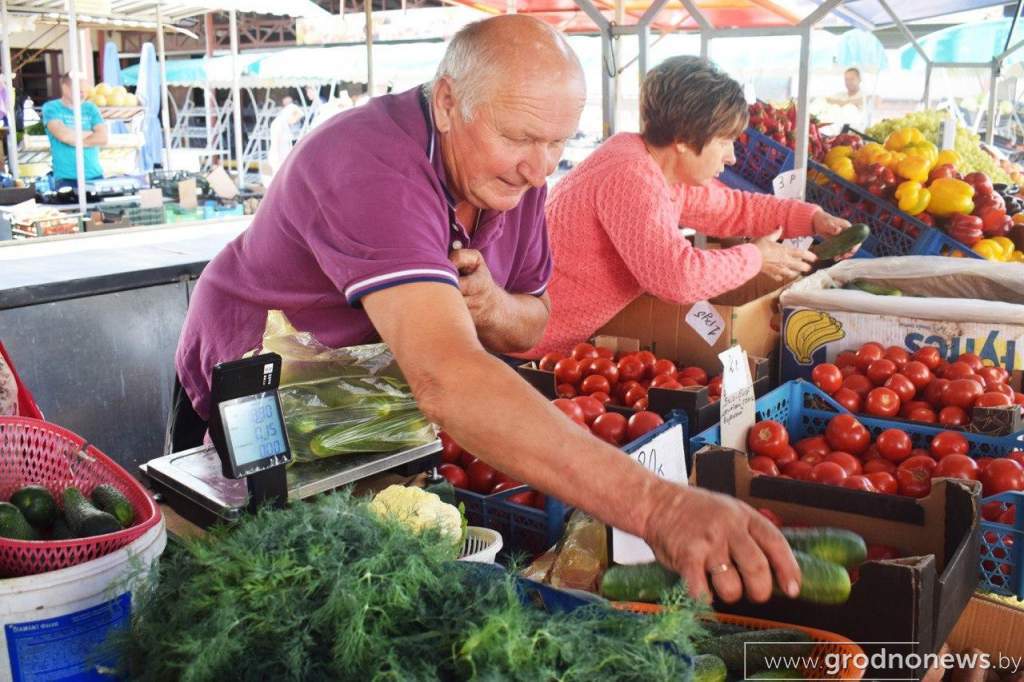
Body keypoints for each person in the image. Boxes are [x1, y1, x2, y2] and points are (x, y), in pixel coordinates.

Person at [174, 16, 800, 604]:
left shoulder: (515, 179)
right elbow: (447, 377)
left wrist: (493, 306)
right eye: (520, 137)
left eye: (558, 142)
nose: (540, 166)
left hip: (373, 401)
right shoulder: (369, 165)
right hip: (262, 385)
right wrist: (660, 508)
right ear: (448, 103)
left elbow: (535, 322)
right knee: (261, 579)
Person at [523, 56, 853, 359]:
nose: (731, 157)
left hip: (557, 342)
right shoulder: (630, 176)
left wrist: (812, 219)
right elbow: (678, 278)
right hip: (527, 348)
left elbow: (733, 208)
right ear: (682, 139)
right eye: (723, 142)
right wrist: (756, 257)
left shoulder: (656, 168)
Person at [42, 73, 107, 190]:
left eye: (85, 90)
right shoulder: (51, 108)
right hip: (66, 178)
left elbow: (103, 138)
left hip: (95, 175)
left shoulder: (91, 108)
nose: (83, 94)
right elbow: (64, 136)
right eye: (79, 90)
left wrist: (74, 139)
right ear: (65, 88)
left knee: (98, 208)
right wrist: (91, 135)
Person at [265, 102, 304, 183]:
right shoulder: (279, 123)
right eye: (296, 118)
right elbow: (276, 141)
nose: (295, 121)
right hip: (279, 156)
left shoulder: (283, 123)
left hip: (283, 155)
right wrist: (277, 157)